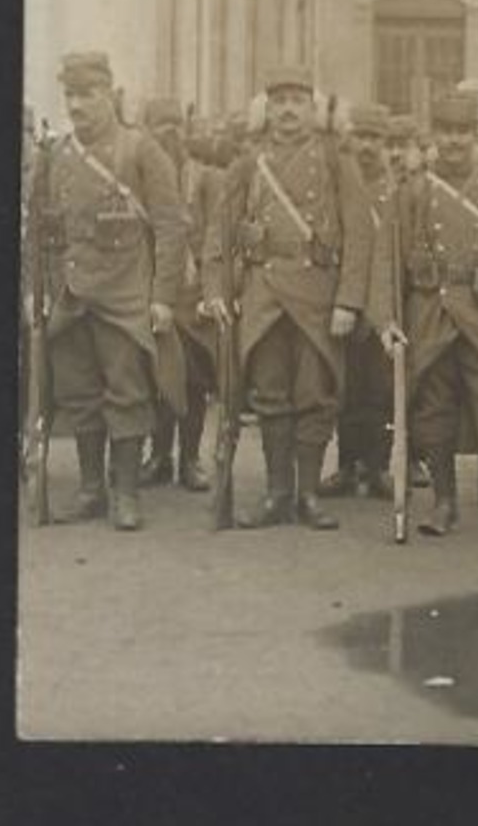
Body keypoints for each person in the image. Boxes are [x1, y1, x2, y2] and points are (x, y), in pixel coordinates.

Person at [201, 66, 374, 531]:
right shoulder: (247, 163)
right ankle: (278, 495)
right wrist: (216, 290)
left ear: (313, 109)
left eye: (298, 100)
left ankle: (308, 494)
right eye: (280, 101)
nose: (289, 110)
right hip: (263, 293)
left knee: (315, 395)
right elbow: (218, 234)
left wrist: (349, 301)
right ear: (267, 109)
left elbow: (360, 233)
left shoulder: (337, 160)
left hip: (319, 291)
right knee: (270, 394)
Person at [372, 91, 478, 551]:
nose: (453, 141)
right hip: (430, 310)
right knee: (433, 408)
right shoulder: (411, 191)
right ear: (432, 136)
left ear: (475, 137)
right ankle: (444, 503)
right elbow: (386, 260)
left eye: (462, 132)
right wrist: (386, 318)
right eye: (445, 131)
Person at [31, 52, 185, 529]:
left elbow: (170, 226)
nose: (77, 104)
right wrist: (38, 293)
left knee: (127, 392)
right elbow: (39, 229)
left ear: (109, 94)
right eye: (70, 95)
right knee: (78, 394)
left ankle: (125, 494)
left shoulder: (140, 150)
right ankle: (92, 489)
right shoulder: (55, 155)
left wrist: (162, 296)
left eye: (87, 94)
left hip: (124, 296)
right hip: (71, 296)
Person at [138, 97, 220, 493]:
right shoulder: (139, 176)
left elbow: (218, 240)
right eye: (160, 125)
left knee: (195, 380)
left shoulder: (203, 178)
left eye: (174, 125)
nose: (168, 132)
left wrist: (212, 289)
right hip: (153, 289)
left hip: (194, 295)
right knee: (156, 377)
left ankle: (190, 458)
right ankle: (159, 456)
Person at [317, 103, 399, 500]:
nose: (367, 147)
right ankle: (347, 465)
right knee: (346, 390)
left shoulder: (398, 190)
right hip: (346, 302)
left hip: (384, 306)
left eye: (375, 139)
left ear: (386, 144)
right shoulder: (337, 186)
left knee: (383, 392)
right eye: (361, 138)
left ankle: (379, 467)